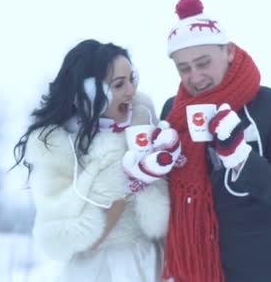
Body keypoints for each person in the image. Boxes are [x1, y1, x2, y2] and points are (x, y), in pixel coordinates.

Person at [159, 0, 271, 282]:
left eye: (203, 63)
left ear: (228, 51)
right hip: (193, 272)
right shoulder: (173, 112)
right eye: (184, 68)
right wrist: (149, 171)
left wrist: (242, 159)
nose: (195, 77)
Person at [13, 39, 182, 281]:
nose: (131, 91)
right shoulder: (55, 145)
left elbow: (160, 222)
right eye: (119, 84)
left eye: (132, 80)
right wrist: (125, 177)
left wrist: (163, 170)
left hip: (151, 264)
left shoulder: (141, 121)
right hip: (97, 270)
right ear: (91, 93)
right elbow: (61, 238)